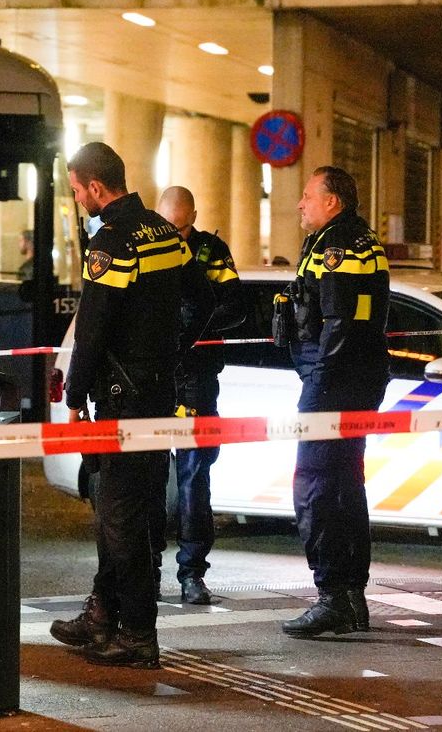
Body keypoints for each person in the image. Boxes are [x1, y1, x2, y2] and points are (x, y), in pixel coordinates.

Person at [49, 143, 211, 668]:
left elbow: (92, 330)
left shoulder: (112, 243)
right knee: (124, 510)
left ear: (96, 187)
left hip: (122, 401)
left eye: (76, 191)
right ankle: (103, 614)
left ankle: (137, 633)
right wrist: (176, 350)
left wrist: (74, 397)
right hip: (158, 393)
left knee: (120, 517)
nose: (77, 201)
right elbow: (204, 298)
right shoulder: (164, 233)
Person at [279, 166, 389, 638]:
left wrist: (318, 386)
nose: (300, 203)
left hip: (335, 384)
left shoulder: (337, 248)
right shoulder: (358, 240)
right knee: (345, 487)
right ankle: (350, 598)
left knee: (315, 487)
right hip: (356, 380)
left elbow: (338, 323)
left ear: (333, 202)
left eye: (308, 195)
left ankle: (332, 596)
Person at [156, 185, 244, 605]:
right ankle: (146, 569)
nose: (178, 234)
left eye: (184, 226)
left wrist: (195, 324)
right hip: (154, 381)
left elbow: (237, 306)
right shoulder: (145, 247)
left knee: (194, 482)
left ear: (193, 217)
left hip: (197, 381)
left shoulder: (211, 251)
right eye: (170, 227)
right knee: (150, 481)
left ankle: (192, 573)